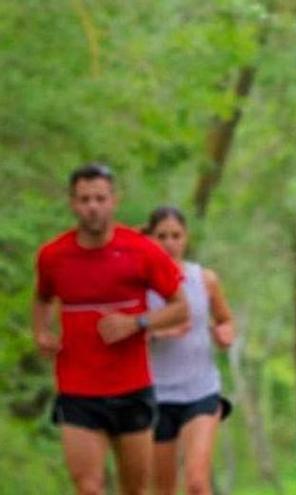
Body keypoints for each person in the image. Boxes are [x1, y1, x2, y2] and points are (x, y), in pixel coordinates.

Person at [33, 163, 189, 495]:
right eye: (84, 199)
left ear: (114, 201)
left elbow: (180, 308)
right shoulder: (53, 256)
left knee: (134, 490)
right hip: (78, 389)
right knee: (88, 487)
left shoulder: (142, 250)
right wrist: (42, 331)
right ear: (73, 203)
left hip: (132, 386)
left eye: (100, 198)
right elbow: (43, 297)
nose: (92, 206)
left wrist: (137, 322)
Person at [143, 206, 235, 495]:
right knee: (164, 489)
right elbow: (125, 336)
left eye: (176, 235)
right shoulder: (138, 287)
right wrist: (160, 332)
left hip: (201, 390)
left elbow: (226, 320)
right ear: (150, 240)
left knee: (196, 483)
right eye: (162, 236)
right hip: (158, 395)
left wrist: (224, 334)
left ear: (185, 238)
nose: (170, 243)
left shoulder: (204, 280)